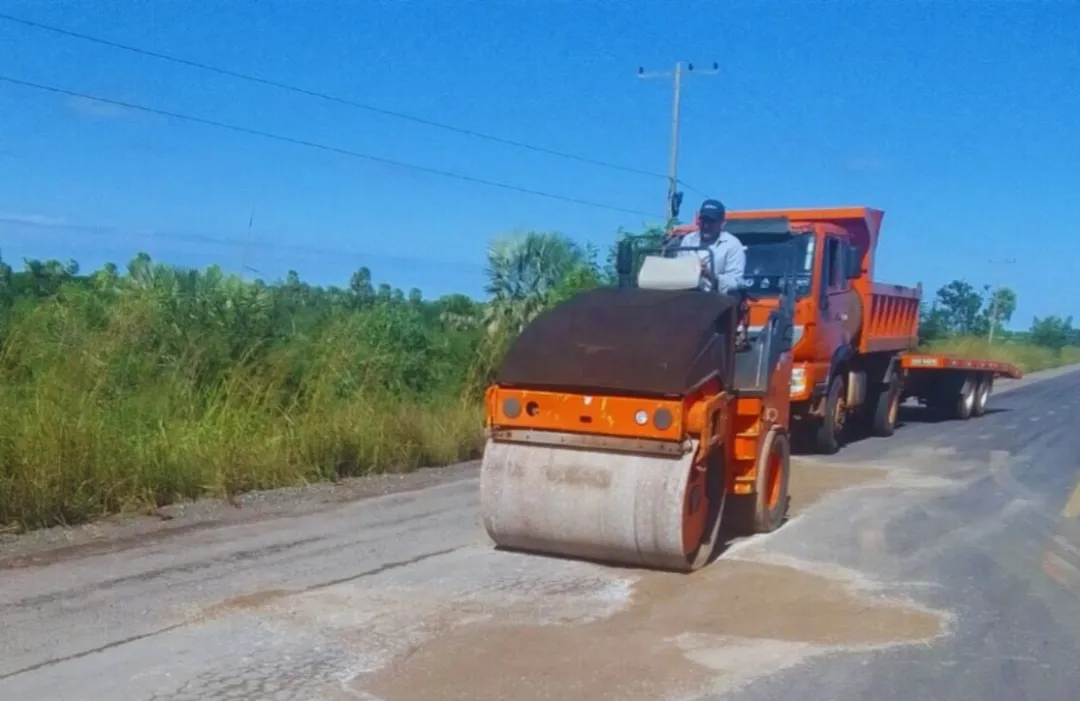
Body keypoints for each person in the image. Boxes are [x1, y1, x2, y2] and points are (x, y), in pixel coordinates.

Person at [672, 199, 746, 294]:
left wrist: (709, 274)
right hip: (688, 297)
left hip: (718, 301)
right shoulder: (688, 240)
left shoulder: (733, 245)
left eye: (711, 222)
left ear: (722, 223)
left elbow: (735, 282)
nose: (706, 226)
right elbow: (679, 271)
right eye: (704, 221)